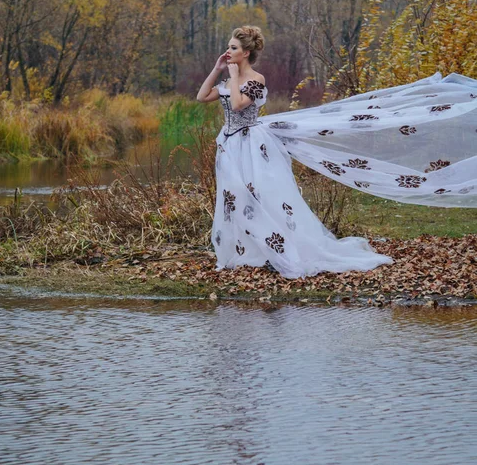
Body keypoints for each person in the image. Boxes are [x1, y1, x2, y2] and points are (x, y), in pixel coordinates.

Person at [197, 25, 477, 279]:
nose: (228, 51)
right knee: (234, 196)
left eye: (233, 48)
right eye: (228, 47)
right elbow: (202, 97)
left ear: (246, 52)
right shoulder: (228, 78)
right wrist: (217, 69)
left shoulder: (256, 79)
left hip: (252, 146)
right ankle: (247, 251)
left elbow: (236, 105)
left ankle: (277, 250)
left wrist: (233, 76)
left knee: (263, 196)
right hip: (230, 145)